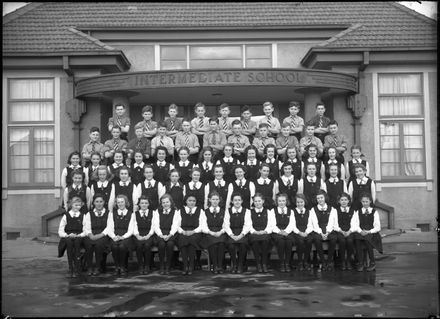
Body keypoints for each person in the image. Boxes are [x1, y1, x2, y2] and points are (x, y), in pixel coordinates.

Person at [352, 193, 382, 272]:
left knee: (368, 239)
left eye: (366, 201)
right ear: (361, 202)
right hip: (361, 231)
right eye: (363, 202)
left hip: (371, 232)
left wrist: (369, 231)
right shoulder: (357, 212)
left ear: (370, 201)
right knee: (357, 239)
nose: (365, 203)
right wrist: (360, 231)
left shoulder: (374, 212)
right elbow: (355, 224)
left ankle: (372, 262)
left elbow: (377, 227)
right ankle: (360, 262)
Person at [58, 196, 87, 278]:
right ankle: (71, 268)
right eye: (75, 205)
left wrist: (79, 235)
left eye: (79, 205)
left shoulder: (82, 216)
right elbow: (60, 230)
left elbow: (85, 229)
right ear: (71, 205)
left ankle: (78, 268)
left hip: (79, 235)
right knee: (69, 242)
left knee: (77, 243)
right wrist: (67, 235)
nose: (77, 207)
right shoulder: (66, 216)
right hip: (68, 235)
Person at [309, 190, 338, 271]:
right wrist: (321, 233)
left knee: (333, 238)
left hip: (329, 228)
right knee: (317, 239)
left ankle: (329, 261)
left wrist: (327, 232)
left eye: (321, 197)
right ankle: (322, 261)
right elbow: (314, 223)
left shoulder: (332, 209)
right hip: (318, 229)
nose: (320, 200)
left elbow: (332, 222)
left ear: (325, 198)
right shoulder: (313, 210)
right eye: (318, 198)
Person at [107, 194, 135, 276]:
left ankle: (123, 267)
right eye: (118, 202)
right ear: (116, 203)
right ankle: (117, 267)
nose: (120, 204)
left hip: (126, 236)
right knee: (114, 246)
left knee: (122, 246)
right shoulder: (112, 214)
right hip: (115, 236)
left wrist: (123, 237)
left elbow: (131, 229)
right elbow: (110, 228)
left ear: (126, 202)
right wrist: (114, 237)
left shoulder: (131, 214)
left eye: (122, 202)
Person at [224, 192, 251, 273]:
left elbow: (247, 225)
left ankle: (240, 265)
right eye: (235, 200)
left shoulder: (246, 211)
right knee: (231, 245)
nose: (237, 202)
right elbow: (226, 225)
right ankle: (234, 265)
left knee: (243, 245)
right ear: (232, 201)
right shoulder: (228, 211)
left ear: (242, 201)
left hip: (242, 233)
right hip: (231, 233)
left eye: (239, 200)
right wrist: (231, 235)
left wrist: (241, 235)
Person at [153, 194, 180, 275]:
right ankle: (161, 265)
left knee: (170, 244)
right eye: (163, 202)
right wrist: (161, 235)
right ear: (161, 203)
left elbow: (175, 225)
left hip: (171, 233)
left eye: (167, 202)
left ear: (171, 202)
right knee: (161, 244)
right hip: (160, 233)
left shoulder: (175, 212)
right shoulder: (157, 212)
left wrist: (170, 235)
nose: (165, 204)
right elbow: (156, 225)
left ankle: (168, 266)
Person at [84, 194, 110, 276]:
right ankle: (89, 267)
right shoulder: (89, 214)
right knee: (89, 244)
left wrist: (100, 235)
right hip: (91, 234)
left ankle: (98, 267)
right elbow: (86, 226)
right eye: (97, 202)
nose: (99, 204)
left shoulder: (109, 213)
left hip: (103, 235)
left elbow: (109, 227)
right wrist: (90, 235)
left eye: (101, 202)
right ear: (94, 203)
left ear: (104, 202)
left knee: (99, 244)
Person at [177, 194, 204, 275]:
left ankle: (191, 265)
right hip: (183, 231)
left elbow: (202, 225)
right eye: (190, 200)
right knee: (182, 239)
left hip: (195, 232)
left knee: (192, 240)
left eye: (193, 201)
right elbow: (176, 225)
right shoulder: (180, 211)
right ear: (186, 201)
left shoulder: (200, 211)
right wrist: (182, 232)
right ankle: (185, 265)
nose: (192, 202)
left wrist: (194, 231)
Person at [201, 191, 227, 274]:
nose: (215, 201)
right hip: (209, 233)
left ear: (219, 200)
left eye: (216, 199)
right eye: (213, 199)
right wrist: (211, 232)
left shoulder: (224, 211)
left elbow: (226, 225)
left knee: (221, 243)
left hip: (221, 232)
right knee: (212, 243)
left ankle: (220, 265)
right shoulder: (205, 212)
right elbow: (203, 226)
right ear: (209, 200)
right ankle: (215, 266)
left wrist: (221, 232)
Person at [249, 193, 274, 273]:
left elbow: (270, 224)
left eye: (259, 201)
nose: (257, 203)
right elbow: (248, 225)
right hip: (254, 233)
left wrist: (265, 231)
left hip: (265, 233)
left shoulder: (268, 212)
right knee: (255, 241)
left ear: (263, 201)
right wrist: (254, 231)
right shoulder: (249, 212)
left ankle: (264, 263)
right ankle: (258, 264)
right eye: (255, 201)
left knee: (266, 241)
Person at [271, 193, 295, 272]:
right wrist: (279, 232)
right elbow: (272, 225)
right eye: (280, 201)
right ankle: (282, 263)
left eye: (283, 201)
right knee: (281, 242)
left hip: (287, 232)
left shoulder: (290, 211)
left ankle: (287, 263)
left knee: (288, 242)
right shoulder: (273, 211)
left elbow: (292, 224)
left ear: (286, 201)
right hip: (277, 232)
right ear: (277, 202)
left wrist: (286, 231)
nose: (281, 203)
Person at [133, 195, 156, 275]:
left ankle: (147, 266)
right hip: (138, 234)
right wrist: (137, 235)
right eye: (142, 203)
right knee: (139, 246)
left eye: (146, 203)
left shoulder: (153, 213)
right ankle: (140, 265)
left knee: (147, 245)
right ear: (139, 204)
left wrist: (148, 235)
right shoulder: (135, 214)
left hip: (149, 234)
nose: (144, 205)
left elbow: (154, 226)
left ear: (148, 204)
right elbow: (134, 226)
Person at [291, 194, 315, 271]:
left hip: (307, 231)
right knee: (300, 242)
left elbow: (311, 225)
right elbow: (292, 225)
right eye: (298, 202)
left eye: (301, 202)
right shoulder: (292, 212)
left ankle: (305, 261)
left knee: (309, 240)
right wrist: (299, 233)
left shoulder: (309, 212)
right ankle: (300, 262)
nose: (299, 204)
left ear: (305, 202)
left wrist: (306, 232)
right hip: (297, 232)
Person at [334, 193, 356, 271]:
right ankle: (342, 261)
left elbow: (354, 223)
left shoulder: (352, 211)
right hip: (340, 230)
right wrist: (341, 231)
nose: (344, 202)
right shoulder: (335, 211)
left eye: (345, 200)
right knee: (342, 241)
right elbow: (335, 224)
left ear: (349, 201)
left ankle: (349, 260)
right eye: (342, 200)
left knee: (350, 241)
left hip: (349, 231)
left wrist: (350, 231)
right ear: (339, 201)